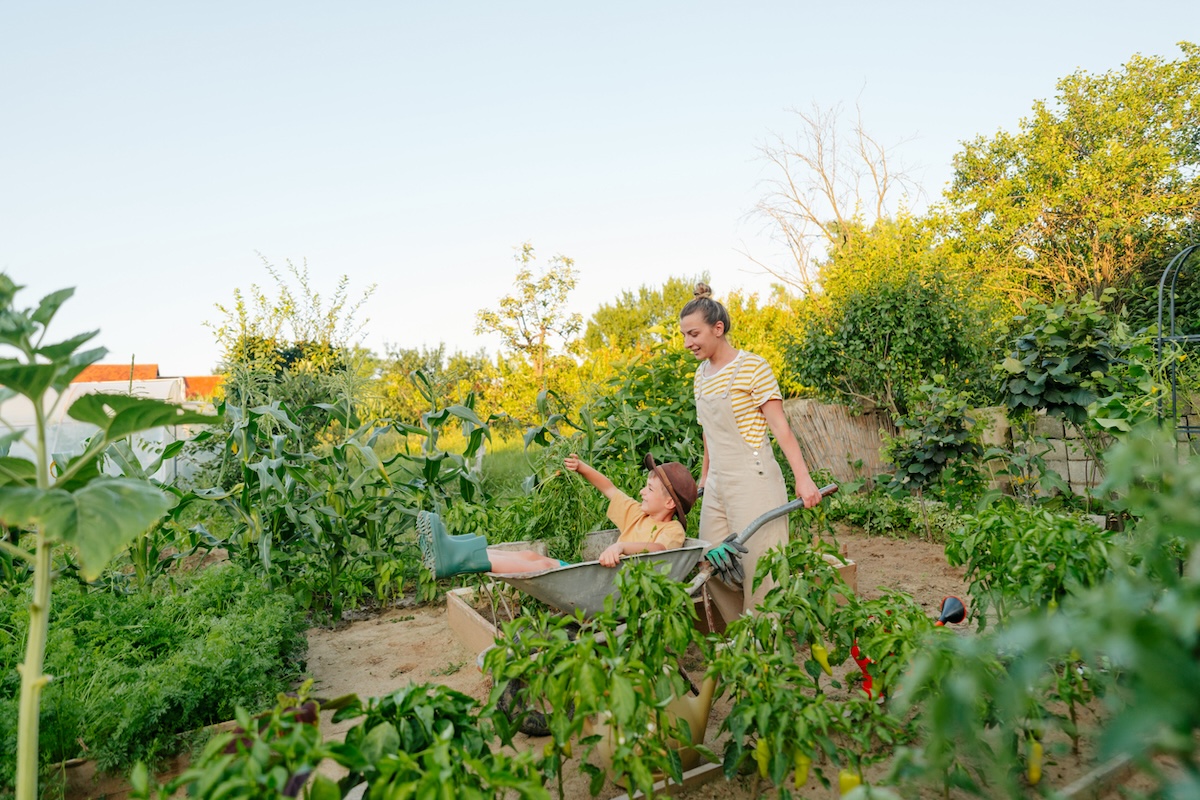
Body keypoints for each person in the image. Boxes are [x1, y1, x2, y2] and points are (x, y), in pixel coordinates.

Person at [679, 282, 823, 623]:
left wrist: (804, 480)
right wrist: (703, 477)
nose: (688, 343)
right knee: (710, 559)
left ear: (718, 329)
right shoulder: (700, 376)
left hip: (754, 478)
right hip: (717, 483)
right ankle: (740, 633)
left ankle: (761, 649)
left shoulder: (753, 367)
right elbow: (708, 435)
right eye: (684, 335)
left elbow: (780, 428)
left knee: (762, 567)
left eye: (694, 334)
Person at [418, 453, 698, 578]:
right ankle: (456, 552)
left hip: (609, 586)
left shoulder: (672, 531)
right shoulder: (637, 514)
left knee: (545, 567)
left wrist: (623, 546)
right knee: (532, 558)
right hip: (599, 580)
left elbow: (659, 550)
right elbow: (610, 488)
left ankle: (457, 557)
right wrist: (582, 467)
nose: (641, 491)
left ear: (670, 503)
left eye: (649, 488)